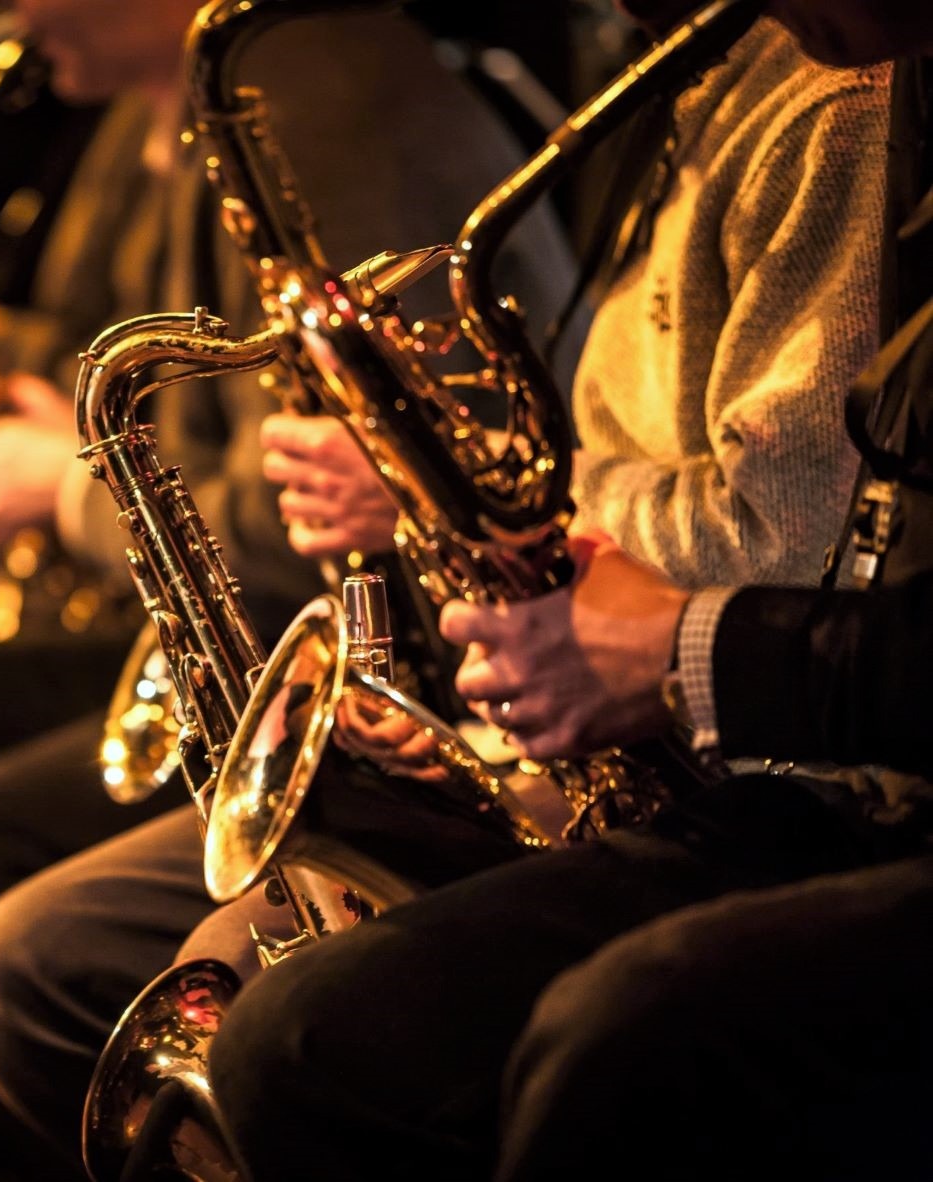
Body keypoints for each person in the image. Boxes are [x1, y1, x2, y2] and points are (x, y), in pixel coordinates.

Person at [205, 4, 933, 1180]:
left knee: (309, 1039)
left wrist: (502, 502)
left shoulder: (831, 99)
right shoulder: (687, 92)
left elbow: (797, 540)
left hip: (785, 768)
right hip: (698, 727)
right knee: (229, 974)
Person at [0, 0, 590, 1169]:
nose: (10, 14)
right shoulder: (209, 101)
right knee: (7, 945)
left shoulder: (312, 89)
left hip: (474, 692)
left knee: (22, 951)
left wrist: (77, 493)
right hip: (356, 674)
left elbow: (339, 499)